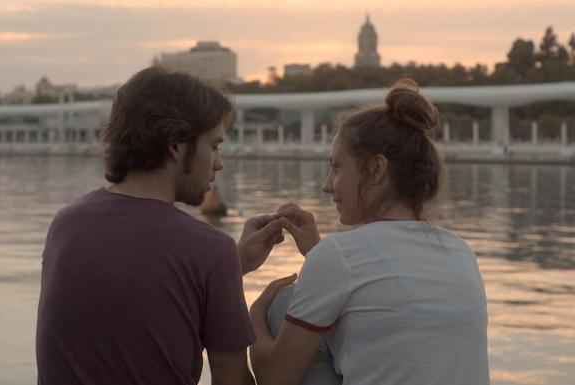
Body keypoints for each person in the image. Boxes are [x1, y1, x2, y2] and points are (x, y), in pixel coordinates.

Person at [36, 67, 284, 385]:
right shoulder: (208, 249)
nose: (219, 162)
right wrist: (261, 314)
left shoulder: (66, 225)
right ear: (176, 146)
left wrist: (232, 268)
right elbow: (232, 380)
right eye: (214, 145)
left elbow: (132, 298)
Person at [249, 79, 489, 385]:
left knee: (282, 303)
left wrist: (254, 316)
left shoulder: (338, 257)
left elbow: (274, 378)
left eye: (336, 168)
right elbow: (386, 295)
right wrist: (316, 253)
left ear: (376, 170)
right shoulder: (460, 251)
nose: (326, 186)